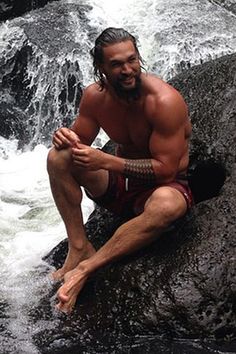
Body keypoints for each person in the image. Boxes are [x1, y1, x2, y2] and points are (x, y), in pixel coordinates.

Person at [47, 27, 193, 313]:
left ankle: (87, 267)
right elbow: (78, 143)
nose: (127, 70)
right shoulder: (95, 97)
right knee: (58, 157)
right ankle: (79, 247)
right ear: (100, 67)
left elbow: (166, 170)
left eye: (132, 60)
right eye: (116, 64)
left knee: (167, 205)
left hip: (161, 188)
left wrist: (107, 162)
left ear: (139, 57)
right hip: (121, 186)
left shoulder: (164, 102)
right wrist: (63, 136)